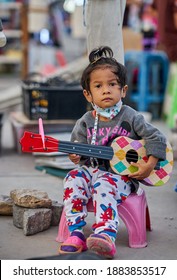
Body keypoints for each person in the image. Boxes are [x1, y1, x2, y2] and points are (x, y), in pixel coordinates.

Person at [58, 46, 167, 259]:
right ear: (88, 94)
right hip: (92, 171)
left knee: (104, 183)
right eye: (98, 86)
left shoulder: (131, 116)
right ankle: (76, 232)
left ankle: (105, 234)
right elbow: (77, 150)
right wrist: (76, 156)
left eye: (112, 84)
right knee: (72, 179)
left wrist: (150, 164)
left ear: (123, 90)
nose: (106, 90)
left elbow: (158, 138)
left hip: (122, 177)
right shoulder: (86, 121)